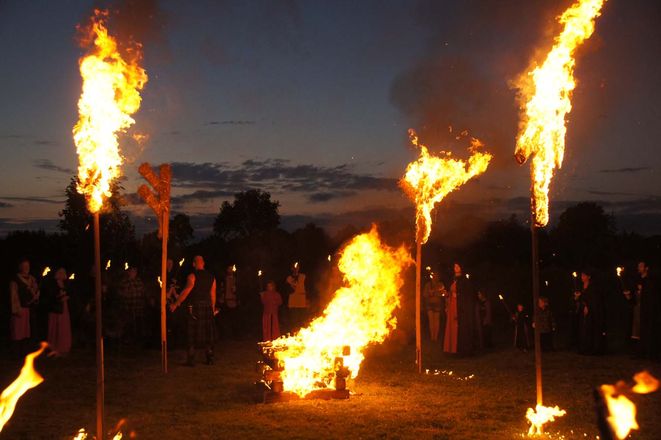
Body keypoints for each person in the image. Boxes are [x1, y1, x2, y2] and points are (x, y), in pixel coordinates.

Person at [169, 255, 217, 366]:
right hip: (207, 307)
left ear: (194, 264)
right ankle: (209, 357)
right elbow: (213, 295)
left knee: (192, 334)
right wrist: (212, 308)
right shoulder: (212, 277)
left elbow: (186, 291)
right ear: (203, 263)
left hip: (195, 307)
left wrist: (176, 304)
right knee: (207, 334)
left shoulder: (192, 276)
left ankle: (191, 360)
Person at [443, 263, 476, 355]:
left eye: (457, 266)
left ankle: (461, 350)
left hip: (461, 308)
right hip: (452, 307)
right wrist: (447, 294)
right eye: (454, 266)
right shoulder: (453, 279)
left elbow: (467, 294)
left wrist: (458, 295)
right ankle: (451, 349)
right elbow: (451, 292)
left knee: (460, 328)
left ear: (461, 267)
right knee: (452, 327)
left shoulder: (464, 280)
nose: (456, 268)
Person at [9, 258, 39, 354]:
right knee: (18, 331)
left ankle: (24, 351)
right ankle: (16, 352)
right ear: (20, 267)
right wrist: (17, 309)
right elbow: (14, 295)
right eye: (24, 266)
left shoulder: (32, 279)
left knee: (26, 332)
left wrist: (35, 295)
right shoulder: (15, 280)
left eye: (28, 266)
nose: (27, 268)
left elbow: (36, 291)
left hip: (29, 308)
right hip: (20, 308)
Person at [42, 267, 72, 356]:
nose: (62, 274)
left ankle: (63, 346)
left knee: (63, 326)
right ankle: (54, 347)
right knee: (55, 326)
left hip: (64, 308)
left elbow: (70, 293)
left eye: (63, 272)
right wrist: (59, 298)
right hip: (55, 309)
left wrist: (67, 297)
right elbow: (50, 296)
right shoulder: (52, 284)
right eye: (60, 272)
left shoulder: (65, 283)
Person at [576, 269, 606, 355]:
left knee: (590, 329)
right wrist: (577, 298)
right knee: (583, 329)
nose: (582, 277)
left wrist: (588, 306)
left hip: (592, 312)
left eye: (584, 275)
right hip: (583, 310)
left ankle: (591, 348)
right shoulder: (581, 286)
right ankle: (583, 347)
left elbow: (594, 299)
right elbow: (581, 298)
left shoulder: (593, 287)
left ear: (588, 277)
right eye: (581, 275)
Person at [635, 261, 660, 360]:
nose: (639, 268)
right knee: (641, 330)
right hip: (640, 308)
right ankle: (641, 352)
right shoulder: (638, 279)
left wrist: (643, 289)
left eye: (641, 266)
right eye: (638, 266)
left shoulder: (651, 280)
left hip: (649, 309)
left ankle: (650, 353)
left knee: (649, 329)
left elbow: (652, 295)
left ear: (646, 268)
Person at [117, 265, 146, 346]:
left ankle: (138, 340)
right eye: (132, 271)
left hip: (138, 307)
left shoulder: (138, 281)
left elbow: (143, 291)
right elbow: (120, 293)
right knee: (129, 325)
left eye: (135, 271)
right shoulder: (124, 282)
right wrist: (127, 293)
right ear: (129, 272)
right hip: (128, 308)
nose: (134, 273)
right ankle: (129, 341)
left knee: (138, 325)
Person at [423, 274, 446, 342]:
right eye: (433, 277)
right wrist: (429, 293)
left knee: (436, 321)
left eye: (436, 277)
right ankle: (432, 337)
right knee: (431, 321)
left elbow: (443, 294)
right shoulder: (428, 285)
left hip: (437, 304)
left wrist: (436, 293)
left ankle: (435, 337)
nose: (434, 278)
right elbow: (424, 294)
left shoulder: (440, 284)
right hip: (429, 304)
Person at [286, 263, 307, 332]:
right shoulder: (288, 278)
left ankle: (302, 333)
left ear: (299, 268)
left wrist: (307, 299)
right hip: (293, 301)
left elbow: (307, 287)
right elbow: (286, 290)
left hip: (301, 301)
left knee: (302, 319)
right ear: (291, 269)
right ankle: (294, 333)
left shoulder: (303, 276)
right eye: (294, 267)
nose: (296, 268)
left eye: (297, 267)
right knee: (294, 320)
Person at [220, 265, 239, 339]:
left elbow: (239, 290)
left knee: (234, 319)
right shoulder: (224, 279)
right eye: (229, 269)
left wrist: (236, 290)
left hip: (234, 301)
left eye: (231, 269)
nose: (230, 270)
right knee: (226, 319)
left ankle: (235, 335)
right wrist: (222, 297)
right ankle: (227, 335)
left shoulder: (236, 280)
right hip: (226, 301)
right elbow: (222, 289)